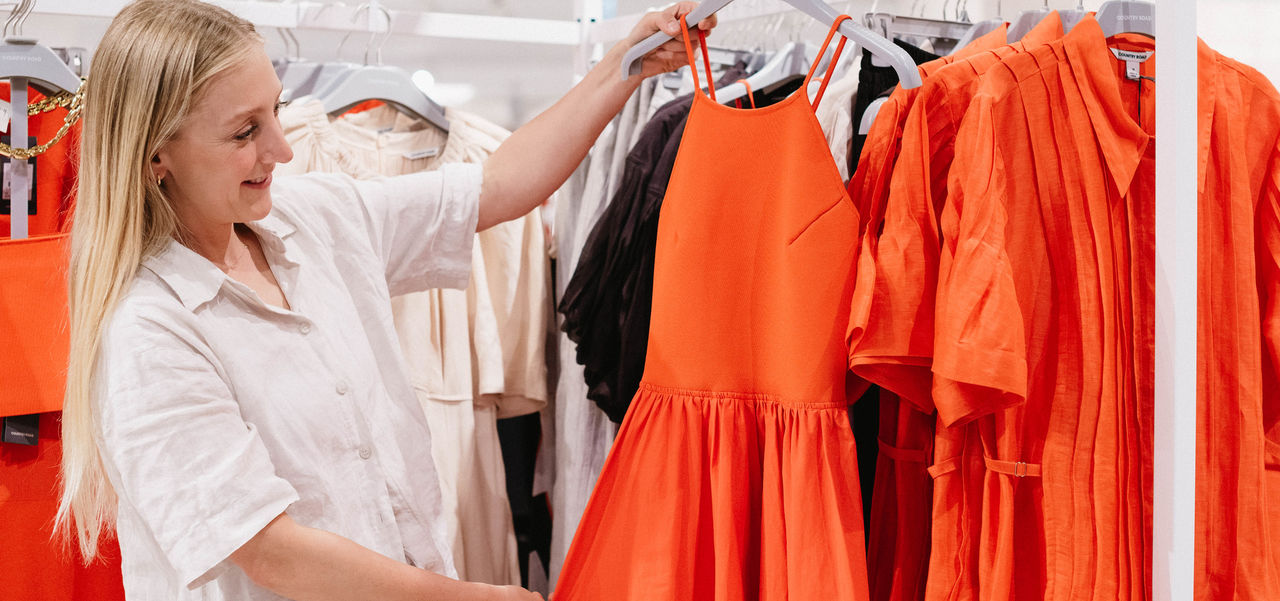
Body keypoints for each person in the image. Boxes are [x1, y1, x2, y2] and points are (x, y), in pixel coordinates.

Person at [53, 1, 715, 599]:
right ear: (155, 157)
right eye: (243, 133)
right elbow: (267, 548)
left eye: (276, 112)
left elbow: (498, 186)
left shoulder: (316, 220)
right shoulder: (149, 331)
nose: (281, 150)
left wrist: (626, 66)